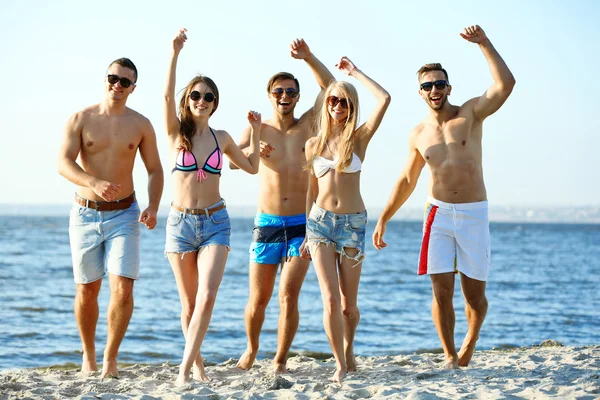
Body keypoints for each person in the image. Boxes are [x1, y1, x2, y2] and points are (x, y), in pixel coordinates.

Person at [372, 25, 515, 369]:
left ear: (448, 88)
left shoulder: (469, 114)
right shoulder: (419, 134)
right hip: (437, 213)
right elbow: (407, 179)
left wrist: (484, 44)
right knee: (440, 291)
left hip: (473, 213)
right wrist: (384, 218)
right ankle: (450, 355)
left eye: (439, 84)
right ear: (420, 92)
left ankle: (472, 338)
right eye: (427, 86)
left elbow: (505, 85)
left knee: (474, 296)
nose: (434, 89)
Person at [231, 38, 335, 374]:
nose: (285, 97)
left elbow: (331, 86)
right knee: (258, 299)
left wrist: (307, 57)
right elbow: (232, 161)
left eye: (290, 91)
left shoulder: (309, 124)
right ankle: (251, 349)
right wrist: (252, 150)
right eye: (279, 92)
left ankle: (279, 360)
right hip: (268, 222)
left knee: (288, 294)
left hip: (304, 224)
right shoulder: (257, 128)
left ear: (298, 96)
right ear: (270, 95)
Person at [164, 29, 262, 385]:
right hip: (179, 224)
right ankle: (199, 366)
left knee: (206, 298)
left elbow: (251, 167)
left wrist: (257, 131)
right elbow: (164, 94)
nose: (201, 100)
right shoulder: (177, 134)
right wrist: (174, 53)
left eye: (207, 96)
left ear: (215, 102)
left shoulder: (222, 138)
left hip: (216, 222)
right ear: (187, 99)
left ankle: (182, 372)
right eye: (195, 95)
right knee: (188, 306)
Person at [57, 58, 164, 378]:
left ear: (133, 87)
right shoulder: (81, 118)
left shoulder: (141, 124)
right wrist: (92, 182)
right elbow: (63, 163)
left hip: (125, 215)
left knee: (123, 288)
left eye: (125, 81)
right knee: (87, 290)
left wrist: (154, 206)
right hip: (84, 214)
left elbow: (155, 169)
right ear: (105, 79)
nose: (117, 85)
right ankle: (88, 356)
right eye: (112, 78)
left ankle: (110, 359)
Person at [302, 57, 391, 383]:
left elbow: (384, 99)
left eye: (344, 101)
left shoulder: (360, 138)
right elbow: (311, 191)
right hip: (320, 224)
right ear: (325, 104)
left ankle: (349, 348)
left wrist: (354, 74)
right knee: (330, 298)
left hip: (353, 224)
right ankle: (340, 362)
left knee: (348, 306)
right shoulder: (313, 144)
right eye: (333, 100)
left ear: (352, 106)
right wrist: (304, 234)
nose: (338, 105)